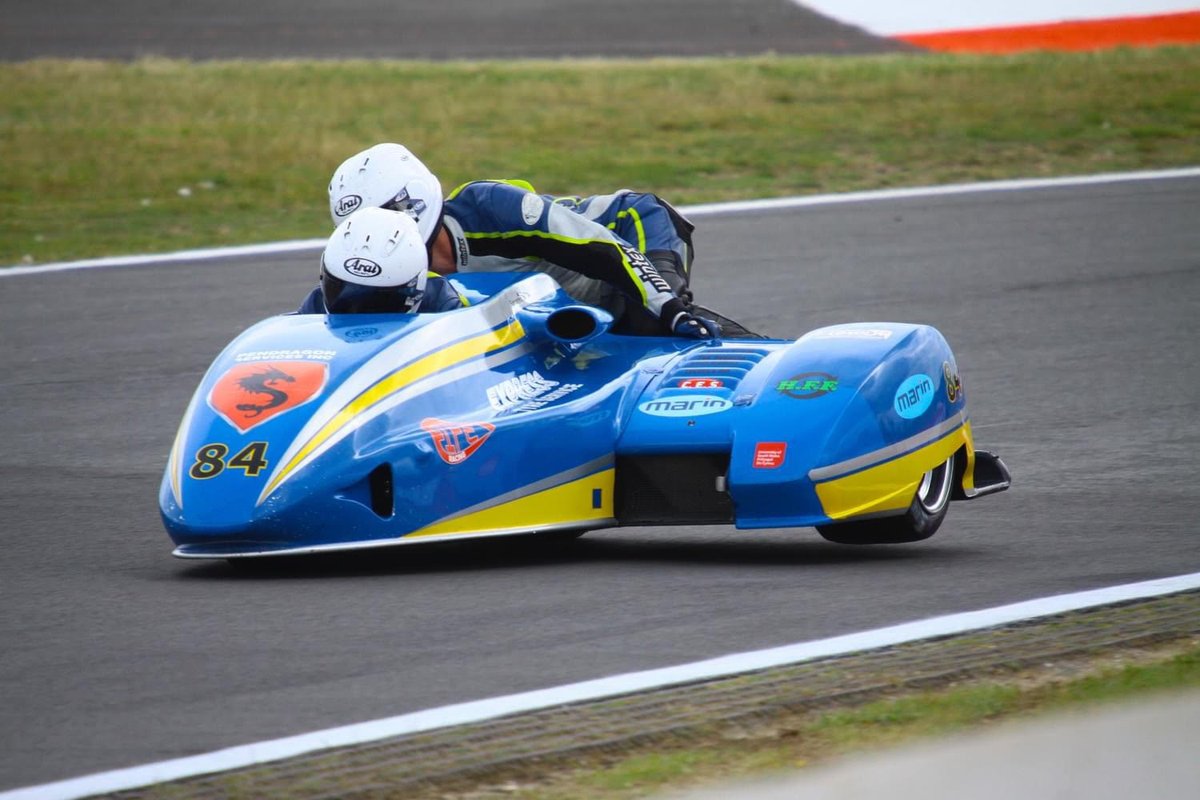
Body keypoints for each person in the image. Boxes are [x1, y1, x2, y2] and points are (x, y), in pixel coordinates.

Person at [326, 142, 720, 338]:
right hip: (554, 307)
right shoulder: (383, 270)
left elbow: (601, 248)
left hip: (629, 233)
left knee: (657, 328)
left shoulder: (490, 208)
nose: (370, 230)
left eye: (379, 213)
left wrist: (669, 309)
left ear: (414, 198)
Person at [298, 207, 464, 315]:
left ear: (416, 288)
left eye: (381, 301)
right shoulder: (316, 304)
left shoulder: (441, 304)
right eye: (344, 293)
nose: (360, 316)